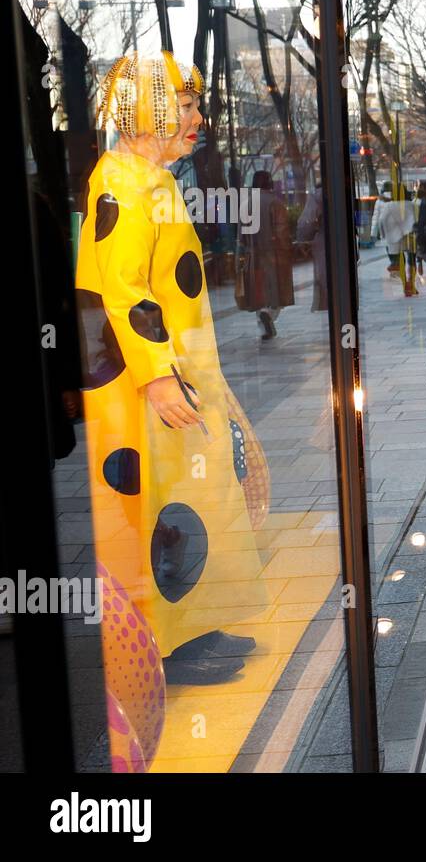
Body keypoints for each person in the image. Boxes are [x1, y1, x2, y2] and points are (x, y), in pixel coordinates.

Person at [75, 51, 269, 697]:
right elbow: (124, 288)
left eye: (194, 104)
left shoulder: (147, 180)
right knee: (160, 505)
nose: (197, 117)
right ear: (146, 111)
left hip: (170, 376)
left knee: (189, 498)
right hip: (145, 382)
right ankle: (171, 641)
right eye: (185, 105)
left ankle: (196, 627)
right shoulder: (124, 184)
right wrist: (156, 375)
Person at [236, 170, 295, 339]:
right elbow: (282, 231)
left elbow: (240, 237)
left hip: (251, 256)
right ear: (269, 183)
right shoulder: (275, 203)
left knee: (258, 291)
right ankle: (268, 314)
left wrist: (240, 258)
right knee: (274, 291)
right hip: (273, 255)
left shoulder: (246, 205)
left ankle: (263, 323)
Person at [373, 181, 414, 275]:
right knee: (410, 255)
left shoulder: (389, 205)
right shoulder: (411, 204)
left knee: (397, 253)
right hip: (409, 234)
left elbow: (382, 220)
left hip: (394, 235)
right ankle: (411, 272)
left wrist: (382, 234)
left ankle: (397, 268)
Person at [297, 186, 327, 312]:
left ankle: (325, 303)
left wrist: (302, 241)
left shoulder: (317, 195)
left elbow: (306, 222)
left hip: (324, 242)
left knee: (324, 276)